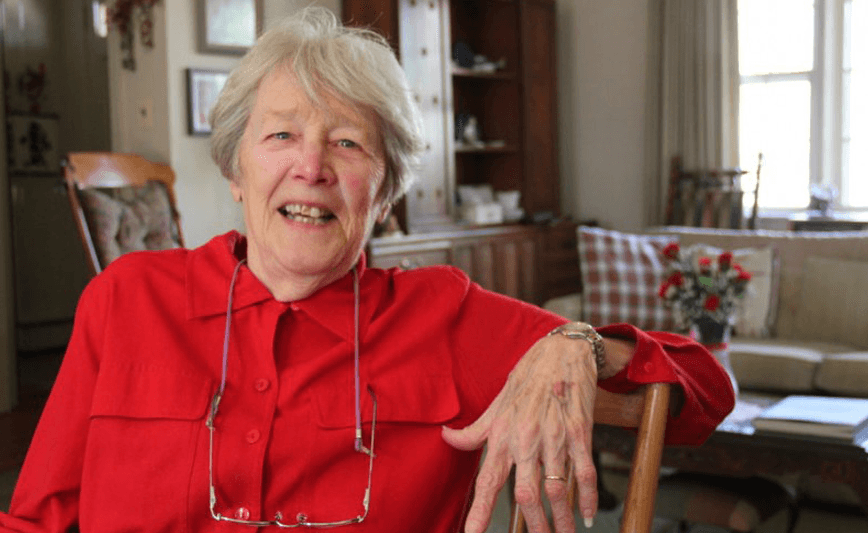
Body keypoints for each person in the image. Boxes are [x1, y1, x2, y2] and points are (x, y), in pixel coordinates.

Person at [0, 8, 734, 533]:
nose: (311, 167)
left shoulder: (443, 316)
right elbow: (35, 516)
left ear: (384, 195)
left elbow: (703, 391)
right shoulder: (125, 300)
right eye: (281, 133)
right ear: (234, 166)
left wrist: (578, 342)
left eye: (348, 144)